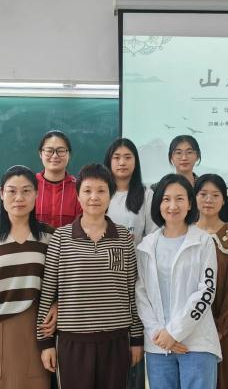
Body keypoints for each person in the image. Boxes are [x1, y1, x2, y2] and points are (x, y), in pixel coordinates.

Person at [37, 164, 144, 389]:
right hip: (72, 341)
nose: (94, 197)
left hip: (116, 340)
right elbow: (47, 293)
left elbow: (132, 292)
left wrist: (136, 339)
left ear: (110, 195)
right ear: (78, 196)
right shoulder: (60, 238)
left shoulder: (124, 238)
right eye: (87, 191)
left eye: (101, 190)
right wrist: (45, 342)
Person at [0, 165, 54, 389]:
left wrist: (57, 305)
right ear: (1, 193)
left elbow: (61, 282)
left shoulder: (49, 236)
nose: (19, 198)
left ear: (36, 193)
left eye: (26, 191)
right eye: (12, 191)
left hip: (37, 331)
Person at [136, 173, 221, 389]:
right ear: (158, 204)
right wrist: (160, 334)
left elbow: (206, 292)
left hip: (197, 343)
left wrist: (174, 333)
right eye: (166, 199)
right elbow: (141, 294)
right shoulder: (146, 245)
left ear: (190, 204)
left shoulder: (203, 241)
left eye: (180, 199)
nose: (172, 206)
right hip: (158, 346)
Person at [104, 137, 158, 389]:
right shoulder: (100, 192)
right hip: (103, 279)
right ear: (109, 161)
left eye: (128, 157)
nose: (122, 162)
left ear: (136, 162)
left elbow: (153, 237)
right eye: (116, 157)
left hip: (136, 278)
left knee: (134, 346)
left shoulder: (146, 195)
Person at [194, 174, 228, 389]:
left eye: (215, 195)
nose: (209, 200)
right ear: (194, 197)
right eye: (203, 194)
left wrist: (220, 327)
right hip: (192, 324)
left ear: (224, 200)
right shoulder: (185, 233)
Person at [35, 130, 82, 228]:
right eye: (49, 151)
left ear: (69, 154)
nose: (55, 156)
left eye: (61, 151)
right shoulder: (30, 185)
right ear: (40, 154)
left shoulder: (79, 188)